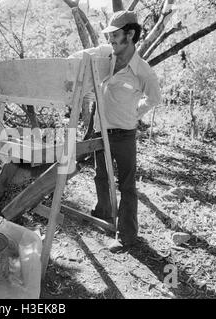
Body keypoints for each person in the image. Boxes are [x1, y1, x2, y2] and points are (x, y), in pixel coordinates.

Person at [89, 11, 162, 252]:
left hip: (124, 135)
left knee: (127, 186)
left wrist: (133, 113)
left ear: (129, 35)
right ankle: (104, 216)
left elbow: (154, 98)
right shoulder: (106, 59)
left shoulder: (142, 70)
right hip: (101, 132)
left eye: (115, 35)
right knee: (101, 177)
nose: (111, 40)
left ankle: (127, 237)